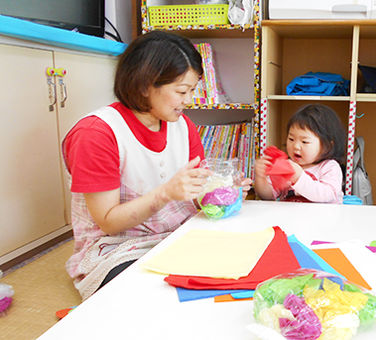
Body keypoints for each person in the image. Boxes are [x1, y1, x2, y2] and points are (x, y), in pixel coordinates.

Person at [63, 30, 251, 300]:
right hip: (116, 247)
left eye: (192, 91)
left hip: (178, 234)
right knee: (147, 294)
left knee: (238, 263)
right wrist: (166, 193)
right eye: (182, 91)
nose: (189, 100)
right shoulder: (96, 133)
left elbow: (196, 195)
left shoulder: (183, 126)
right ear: (143, 86)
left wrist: (222, 193)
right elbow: (109, 223)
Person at [254, 104, 346, 203]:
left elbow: (327, 195)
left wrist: (299, 178)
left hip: (322, 217)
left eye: (304, 142)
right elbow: (268, 196)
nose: (296, 146)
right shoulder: (286, 165)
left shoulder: (329, 167)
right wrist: (261, 177)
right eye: (291, 139)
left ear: (327, 146)